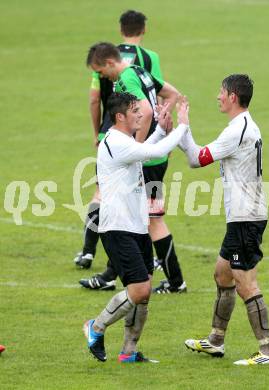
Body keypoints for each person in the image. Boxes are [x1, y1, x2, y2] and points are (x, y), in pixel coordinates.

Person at [180, 74, 269, 365]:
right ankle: (216, 341)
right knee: (222, 273)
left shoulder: (237, 131)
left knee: (245, 282)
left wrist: (181, 128)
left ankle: (268, 351)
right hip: (242, 216)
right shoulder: (242, 126)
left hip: (246, 217)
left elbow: (196, 159)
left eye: (221, 92)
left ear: (233, 96)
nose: (218, 96)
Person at [83, 92, 189, 363]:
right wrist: (182, 127)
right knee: (139, 289)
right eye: (135, 111)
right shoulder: (117, 141)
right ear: (120, 116)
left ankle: (128, 352)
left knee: (144, 294)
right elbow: (154, 152)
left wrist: (162, 130)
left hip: (137, 226)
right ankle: (95, 327)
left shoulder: (123, 140)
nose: (142, 114)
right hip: (118, 228)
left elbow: (143, 152)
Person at [82, 41, 187, 294]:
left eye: (100, 71)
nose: (101, 76)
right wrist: (163, 125)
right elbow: (172, 94)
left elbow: (147, 110)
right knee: (142, 217)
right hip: (154, 154)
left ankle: (175, 282)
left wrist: (135, 148)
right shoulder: (140, 70)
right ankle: (122, 273)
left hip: (148, 159)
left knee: (149, 220)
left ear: (109, 63)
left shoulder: (127, 78)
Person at [74, 10, 163, 280]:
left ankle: (89, 251)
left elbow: (93, 98)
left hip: (112, 134)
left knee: (103, 195)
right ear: (143, 29)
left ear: (121, 29)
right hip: (142, 134)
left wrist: (97, 131)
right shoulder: (150, 59)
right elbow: (155, 94)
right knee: (148, 201)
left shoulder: (105, 57)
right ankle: (149, 265)